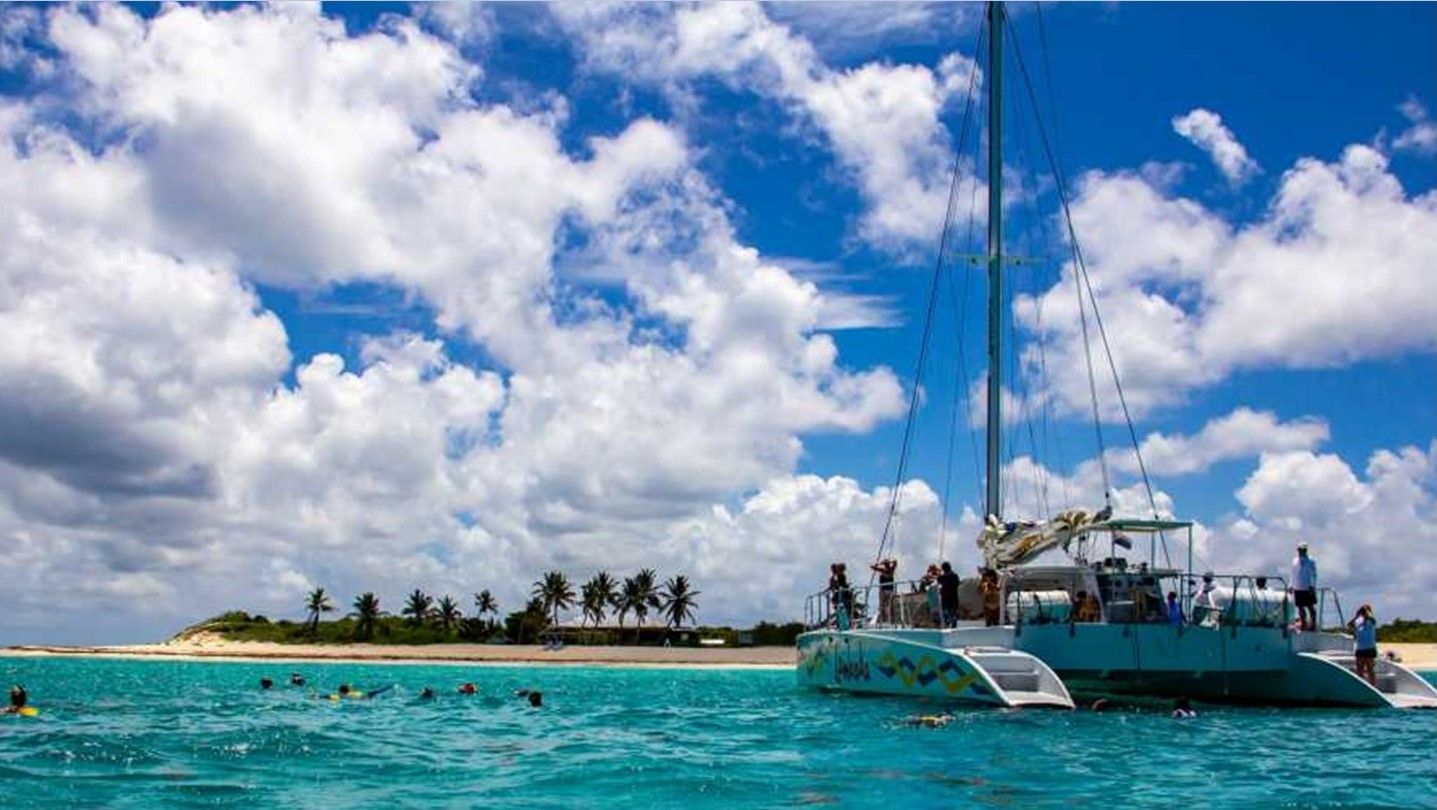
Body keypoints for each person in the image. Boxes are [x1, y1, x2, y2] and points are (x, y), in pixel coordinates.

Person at [1347, 604, 1379, 687]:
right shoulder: (1358, 622)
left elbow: (1372, 619)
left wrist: (1367, 611)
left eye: (1365, 611)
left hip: (1370, 648)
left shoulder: (1371, 621)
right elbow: (1349, 625)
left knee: (1370, 669)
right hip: (1360, 648)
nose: (1364, 612)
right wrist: (1357, 616)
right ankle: (1360, 687)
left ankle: (1373, 686)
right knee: (1359, 670)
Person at [1291, 542, 1318, 631]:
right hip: (1298, 587)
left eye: (1303, 549)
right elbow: (1293, 574)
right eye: (1299, 549)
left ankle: (1313, 624)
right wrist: (1291, 585)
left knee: (1310, 607)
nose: (1301, 551)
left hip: (1308, 587)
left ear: (1306, 550)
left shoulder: (1311, 560)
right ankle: (1303, 624)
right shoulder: (1295, 560)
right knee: (1300, 607)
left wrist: (1312, 585)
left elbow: (1314, 574)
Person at [870, 558, 898, 624]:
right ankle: (887, 619)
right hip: (888, 590)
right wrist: (885, 562)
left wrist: (879, 564)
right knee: (887, 605)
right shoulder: (891, 569)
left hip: (885, 590)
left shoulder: (884, 570)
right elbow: (895, 562)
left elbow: (872, 566)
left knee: (884, 605)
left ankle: (886, 620)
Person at [938, 562, 961, 628]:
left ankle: (947, 622)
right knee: (953, 611)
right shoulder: (955, 576)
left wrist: (940, 573)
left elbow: (938, 580)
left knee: (946, 610)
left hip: (945, 597)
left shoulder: (943, 577)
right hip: (954, 596)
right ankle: (953, 623)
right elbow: (958, 583)